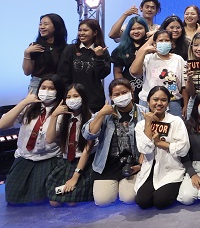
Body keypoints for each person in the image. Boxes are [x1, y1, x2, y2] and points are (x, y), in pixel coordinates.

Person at [0, 74, 65, 204]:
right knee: (13, 197)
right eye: (43, 87)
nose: (46, 91)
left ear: (58, 91)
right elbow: (2, 124)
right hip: (25, 157)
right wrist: (24, 102)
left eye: (51, 88)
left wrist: (54, 115)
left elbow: (51, 139)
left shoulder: (61, 111)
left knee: (39, 199)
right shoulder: (29, 107)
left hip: (48, 158)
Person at [83, 78, 145, 206]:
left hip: (133, 164)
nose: (121, 96)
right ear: (111, 97)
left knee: (129, 198)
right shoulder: (105, 113)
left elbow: (149, 143)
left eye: (124, 92)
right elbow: (88, 134)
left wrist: (141, 165)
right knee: (102, 201)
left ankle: (123, 188)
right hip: (108, 164)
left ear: (132, 92)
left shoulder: (143, 112)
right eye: (117, 94)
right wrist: (101, 114)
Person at [134, 86, 190, 210]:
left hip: (171, 170)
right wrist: (148, 123)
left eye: (164, 100)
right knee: (142, 201)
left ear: (168, 103)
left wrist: (161, 144)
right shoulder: (140, 125)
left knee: (161, 201)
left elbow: (184, 149)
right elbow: (145, 149)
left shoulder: (176, 121)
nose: (159, 103)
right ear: (148, 102)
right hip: (149, 170)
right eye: (155, 99)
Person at [44, 83, 95, 206]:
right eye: (68, 97)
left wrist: (75, 176)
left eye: (76, 96)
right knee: (54, 202)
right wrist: (54, 115)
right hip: (66, 161)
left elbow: (87, 150)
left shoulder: (91, 118)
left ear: (83, 97)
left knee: (72, 202)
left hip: (83, 163)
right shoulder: (63, 117)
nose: (72, 100)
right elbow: (49, 139)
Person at [57, 18, 111, 113]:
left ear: (95, 33)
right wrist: (69, 95)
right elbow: (62, 74)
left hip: (94, 101)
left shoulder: (102, 50)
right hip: (73, 100)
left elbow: (102, 74)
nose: (81, 33)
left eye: (85, 30)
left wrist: (99, 57)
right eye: (80, 30)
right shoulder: (70, 49)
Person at [130, 30, 187, 117]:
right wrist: (144, 51)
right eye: (160, 41)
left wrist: (186, 105)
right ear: (154, 43)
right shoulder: (148, 58)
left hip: (172, 103)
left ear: (171, 43)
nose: (164, 43)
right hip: (148, 102)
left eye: (167, 40)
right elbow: (134, 72)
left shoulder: (178, 59)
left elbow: (183, 86)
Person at [22, 13, 68, 94]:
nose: (41, 27)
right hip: (38, 84)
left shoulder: (66, 48)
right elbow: (27, 72)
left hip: (58, 84)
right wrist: (26, 53)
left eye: (45, 24)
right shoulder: (35, 46)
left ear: (56, 26)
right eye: (40, 24)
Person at [110, 15, 148, 101]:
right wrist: (124, 88)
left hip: (148, 90)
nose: (136, 31)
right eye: (132, 29)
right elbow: (117, 72)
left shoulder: (151, 47)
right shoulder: (121, 49)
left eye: (139, 28)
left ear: (145, 29)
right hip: (129, 91)